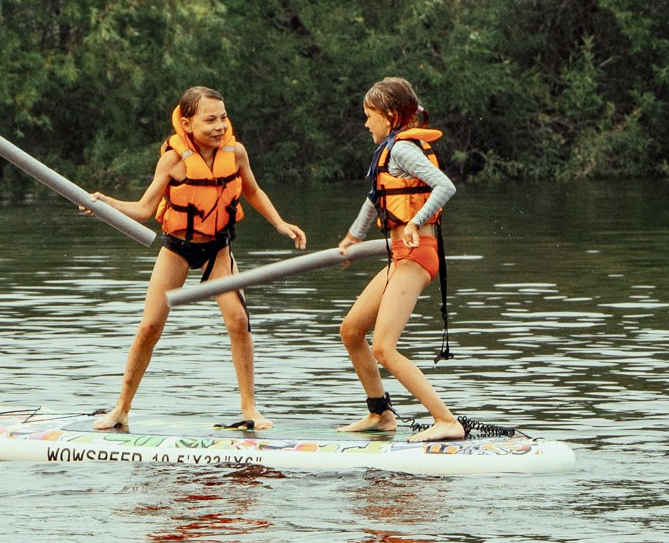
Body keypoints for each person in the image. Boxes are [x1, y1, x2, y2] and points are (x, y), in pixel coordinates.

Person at [85, 89, 306, 433]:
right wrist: (104, 204)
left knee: (239, 321)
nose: (220, 126)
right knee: (149, 327)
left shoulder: (236, 153)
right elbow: (143, 209)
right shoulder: (173, 161)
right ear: (187, 124)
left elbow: (252, 191)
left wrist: (279, 223)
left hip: (218, 249)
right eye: (210, 120)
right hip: (178, 247)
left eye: (223, 118)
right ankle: (121, 409)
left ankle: (250, 409)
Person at [337, 77, 465, 440]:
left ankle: (446, 421)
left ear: (389, 115)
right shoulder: (390, 151)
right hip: (400, 256)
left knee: (383, 347)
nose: (366, 123)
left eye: (369, 115)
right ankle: (380, 413)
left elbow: (445, 186)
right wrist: (353, 237)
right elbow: (375, 198)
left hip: (416, 254)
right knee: (351, 330)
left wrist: (416, 221)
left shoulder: (402, 150)